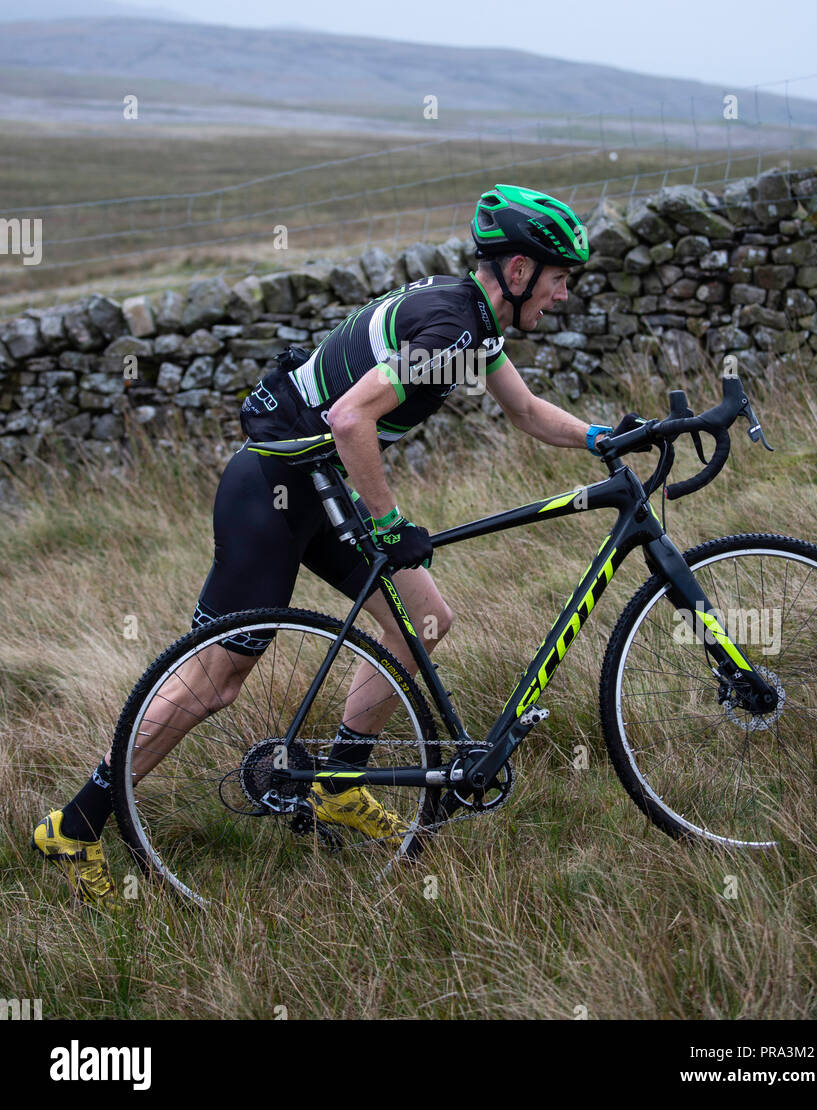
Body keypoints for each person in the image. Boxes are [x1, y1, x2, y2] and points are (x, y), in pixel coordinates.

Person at [32, 185, 616, 909]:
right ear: (520, 271)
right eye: (560, 279)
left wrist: (601, 437)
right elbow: (349, 418)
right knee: (217, 681)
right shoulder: (451, 328)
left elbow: (525, 411)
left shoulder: (475, 325)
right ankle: (75, 822)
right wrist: (389, 521)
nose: (563, 295)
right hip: (274, 487)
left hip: (318, 489)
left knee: (423, 619)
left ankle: (340, 783)